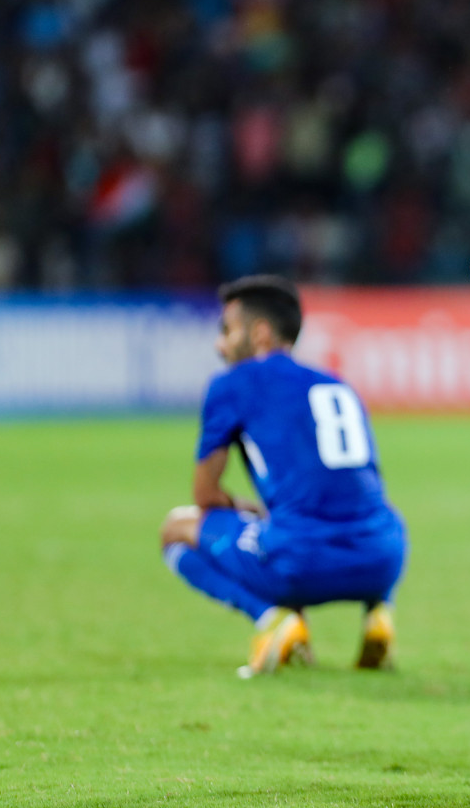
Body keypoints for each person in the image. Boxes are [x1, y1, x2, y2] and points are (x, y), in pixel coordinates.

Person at [159, 275, 407, 678]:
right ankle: (379, 614)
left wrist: (242, 507)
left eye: (226, 330)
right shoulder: (337, 384)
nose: (219, 344)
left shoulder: (231, 384)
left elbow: (204, 493)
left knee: (175, 528)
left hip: (302, 563)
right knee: (359, 516)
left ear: (259, 333)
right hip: (383, 557)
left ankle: (273, 621)